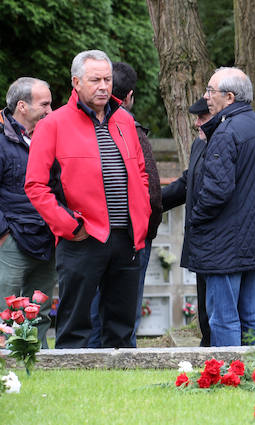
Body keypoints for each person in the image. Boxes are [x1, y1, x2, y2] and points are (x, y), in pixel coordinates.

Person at [25, 50, 151, 348]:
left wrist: (141, 216)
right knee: (76, 324)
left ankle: (121, 387)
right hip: (82, 237)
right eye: (95, 80)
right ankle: (72, 384)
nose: (104, 86)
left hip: (127, 237)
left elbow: (141, 174)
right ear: (76, 82)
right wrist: (69, 226)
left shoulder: (124, 121)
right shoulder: (53, 124)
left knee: (122, 324)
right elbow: (35, 185)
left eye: (107, 79)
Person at [187, 67, 255, 346]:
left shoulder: (225, 131)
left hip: (223, 242)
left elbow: (217, 191)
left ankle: (229, 376)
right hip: (252, 239)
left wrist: (196, 218)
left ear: (229, 97)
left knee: (223, 317)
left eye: (210, 91)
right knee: (252, 313)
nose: (206, 97)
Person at [87, 62, 163, 347]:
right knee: (122, 308)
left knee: (97, 304)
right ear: (129, 96)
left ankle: (95, 356)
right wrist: (145, 229)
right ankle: (115, 357)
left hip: (94, 232)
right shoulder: (132, 130)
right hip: (128, 235)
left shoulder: (87, 128)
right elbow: (152, 192)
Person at [0, 77, 54, 346]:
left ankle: (40, 361)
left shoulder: (50, 135)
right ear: (22, 106)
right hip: (13, 239)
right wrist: (4, 234)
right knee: (5, 310)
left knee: (40, 308)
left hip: (48, 236)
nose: (50, 111)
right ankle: (7, 367)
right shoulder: (1, 139)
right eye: (44, 104)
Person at [161, 97, 213, 346]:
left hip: (222, 237)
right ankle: (207, 351)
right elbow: (187, 181)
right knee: (204, 304)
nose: (196, 124)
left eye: (202, 118)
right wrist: (152, 203)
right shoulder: (199, 144)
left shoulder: (235, 142)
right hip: (201, 237)